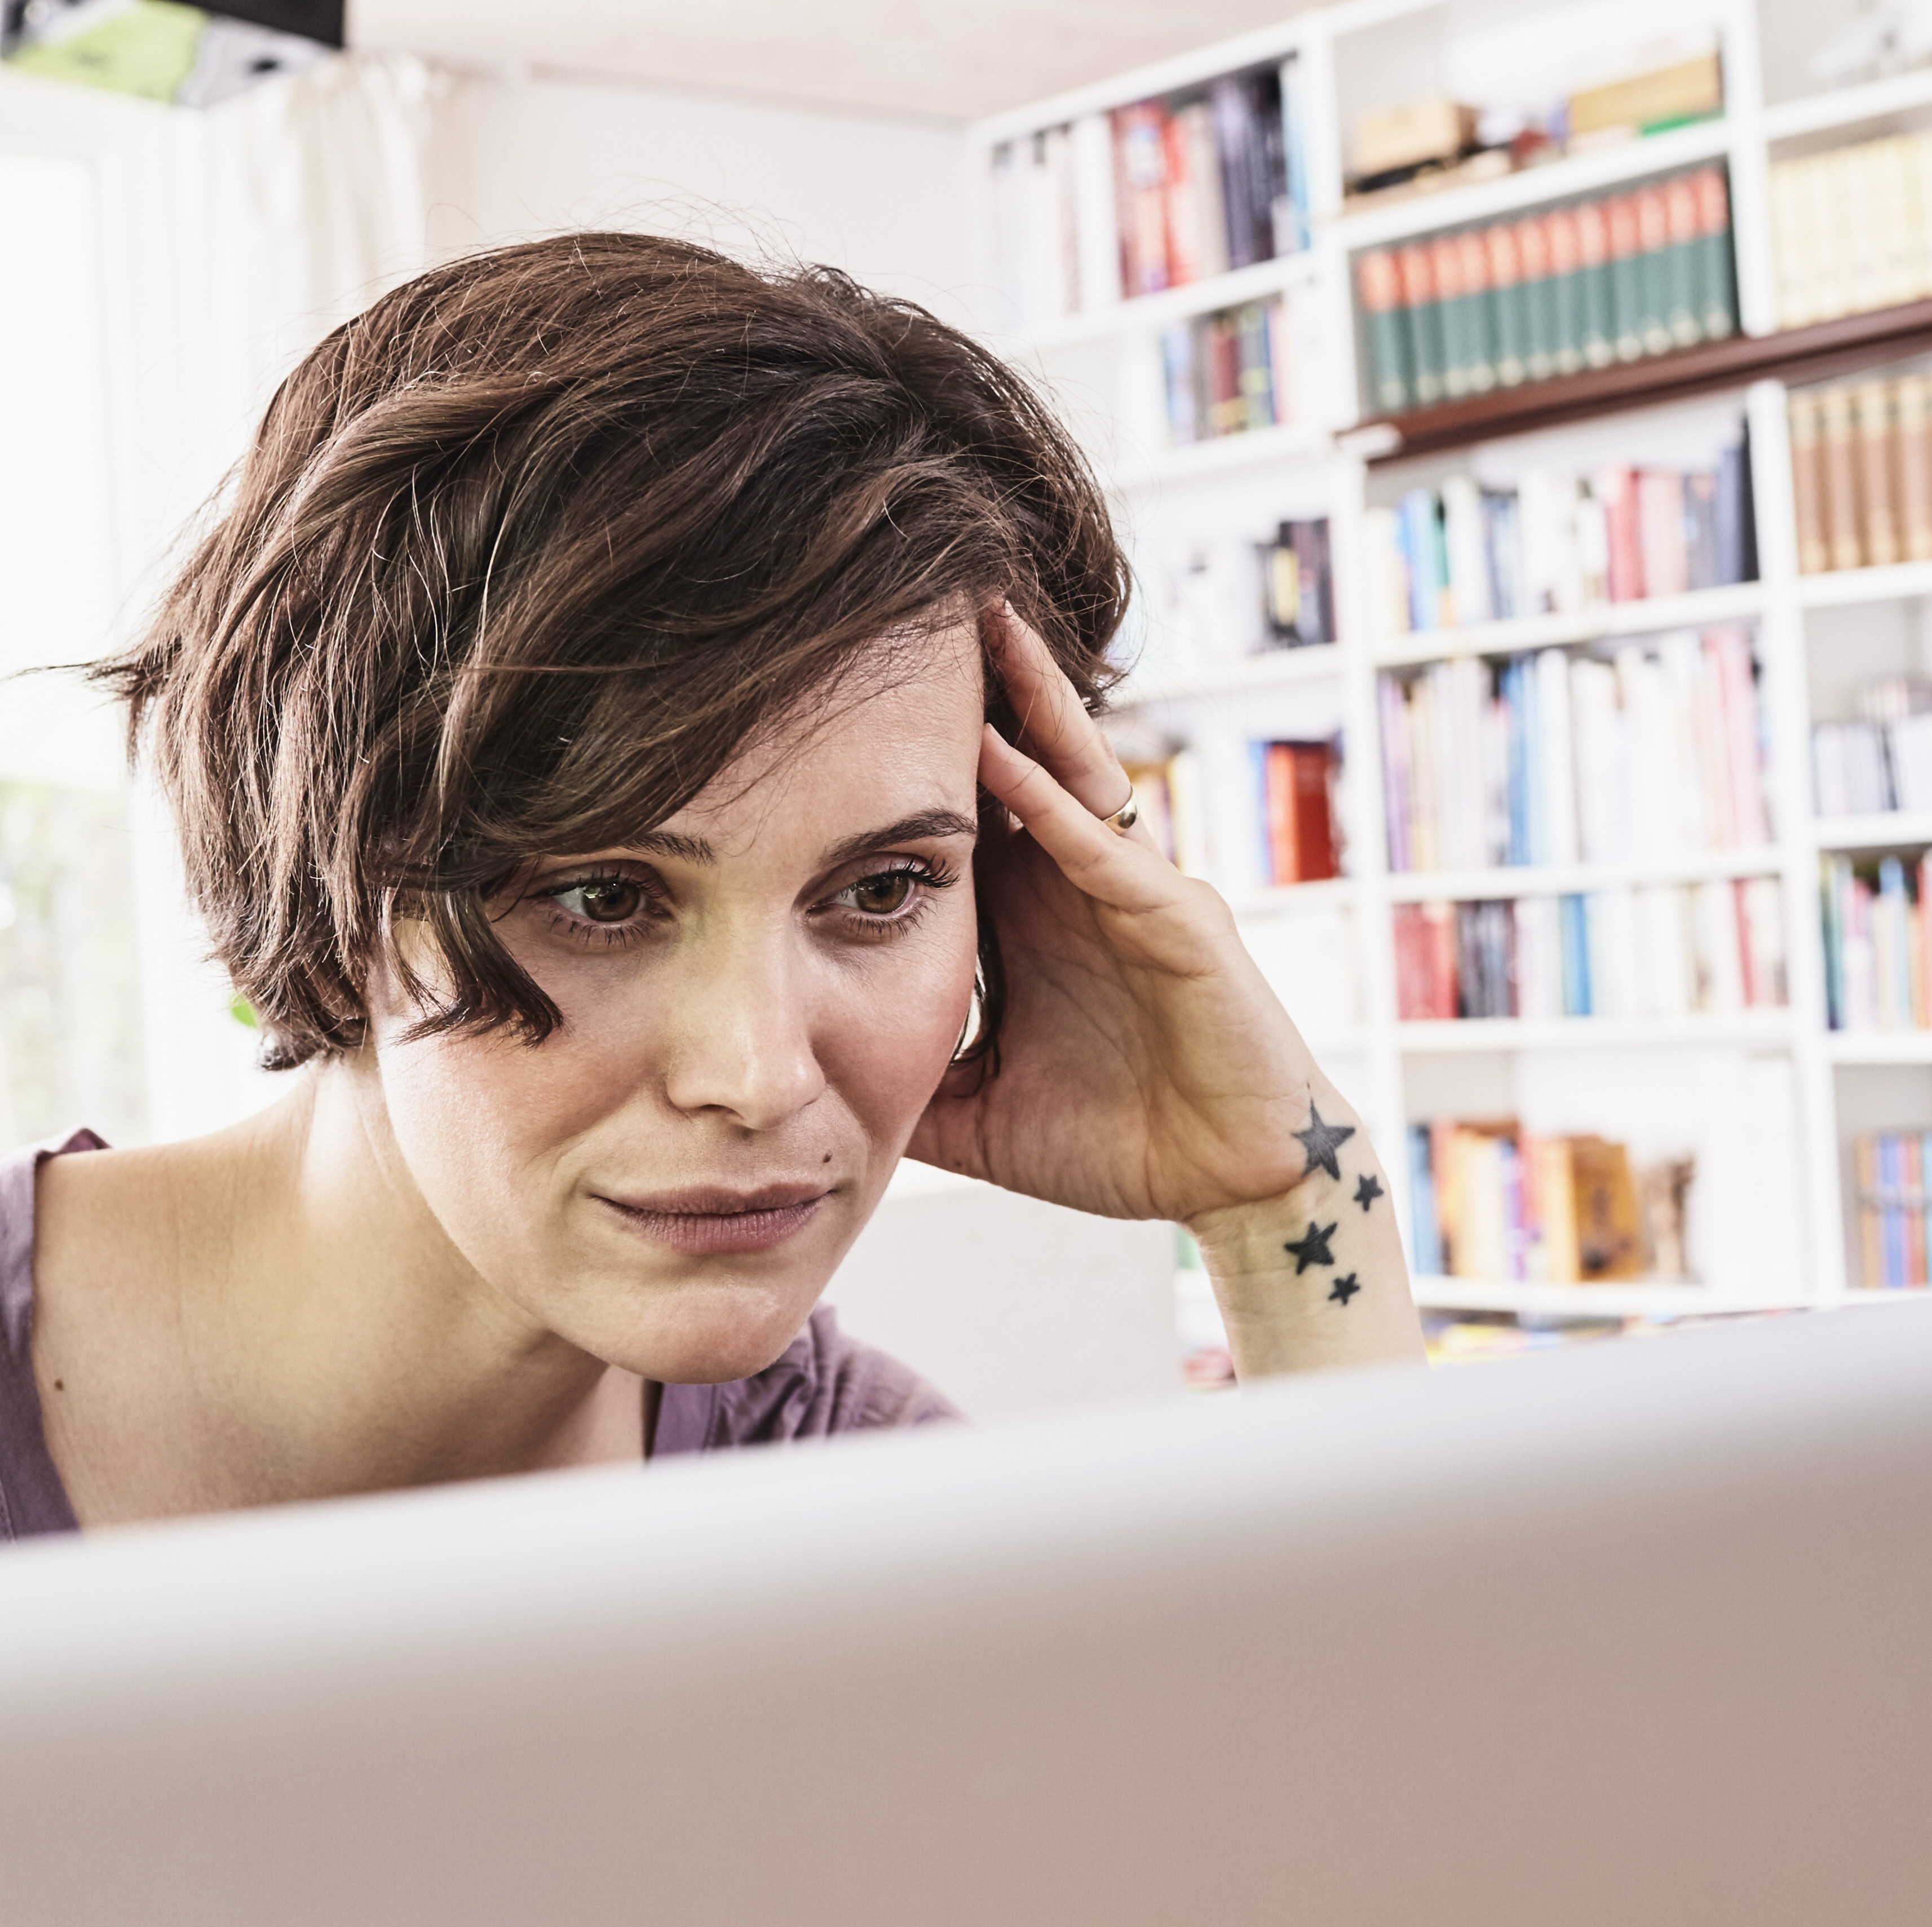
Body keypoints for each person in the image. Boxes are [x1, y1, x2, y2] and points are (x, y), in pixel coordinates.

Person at [0, 233, 1422, 1540]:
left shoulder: (830, 1497)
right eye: (605, 898)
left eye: (879, 890)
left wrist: (1291, 1201)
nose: (755, 1074)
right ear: (322, 905)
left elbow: (1381, 1792)